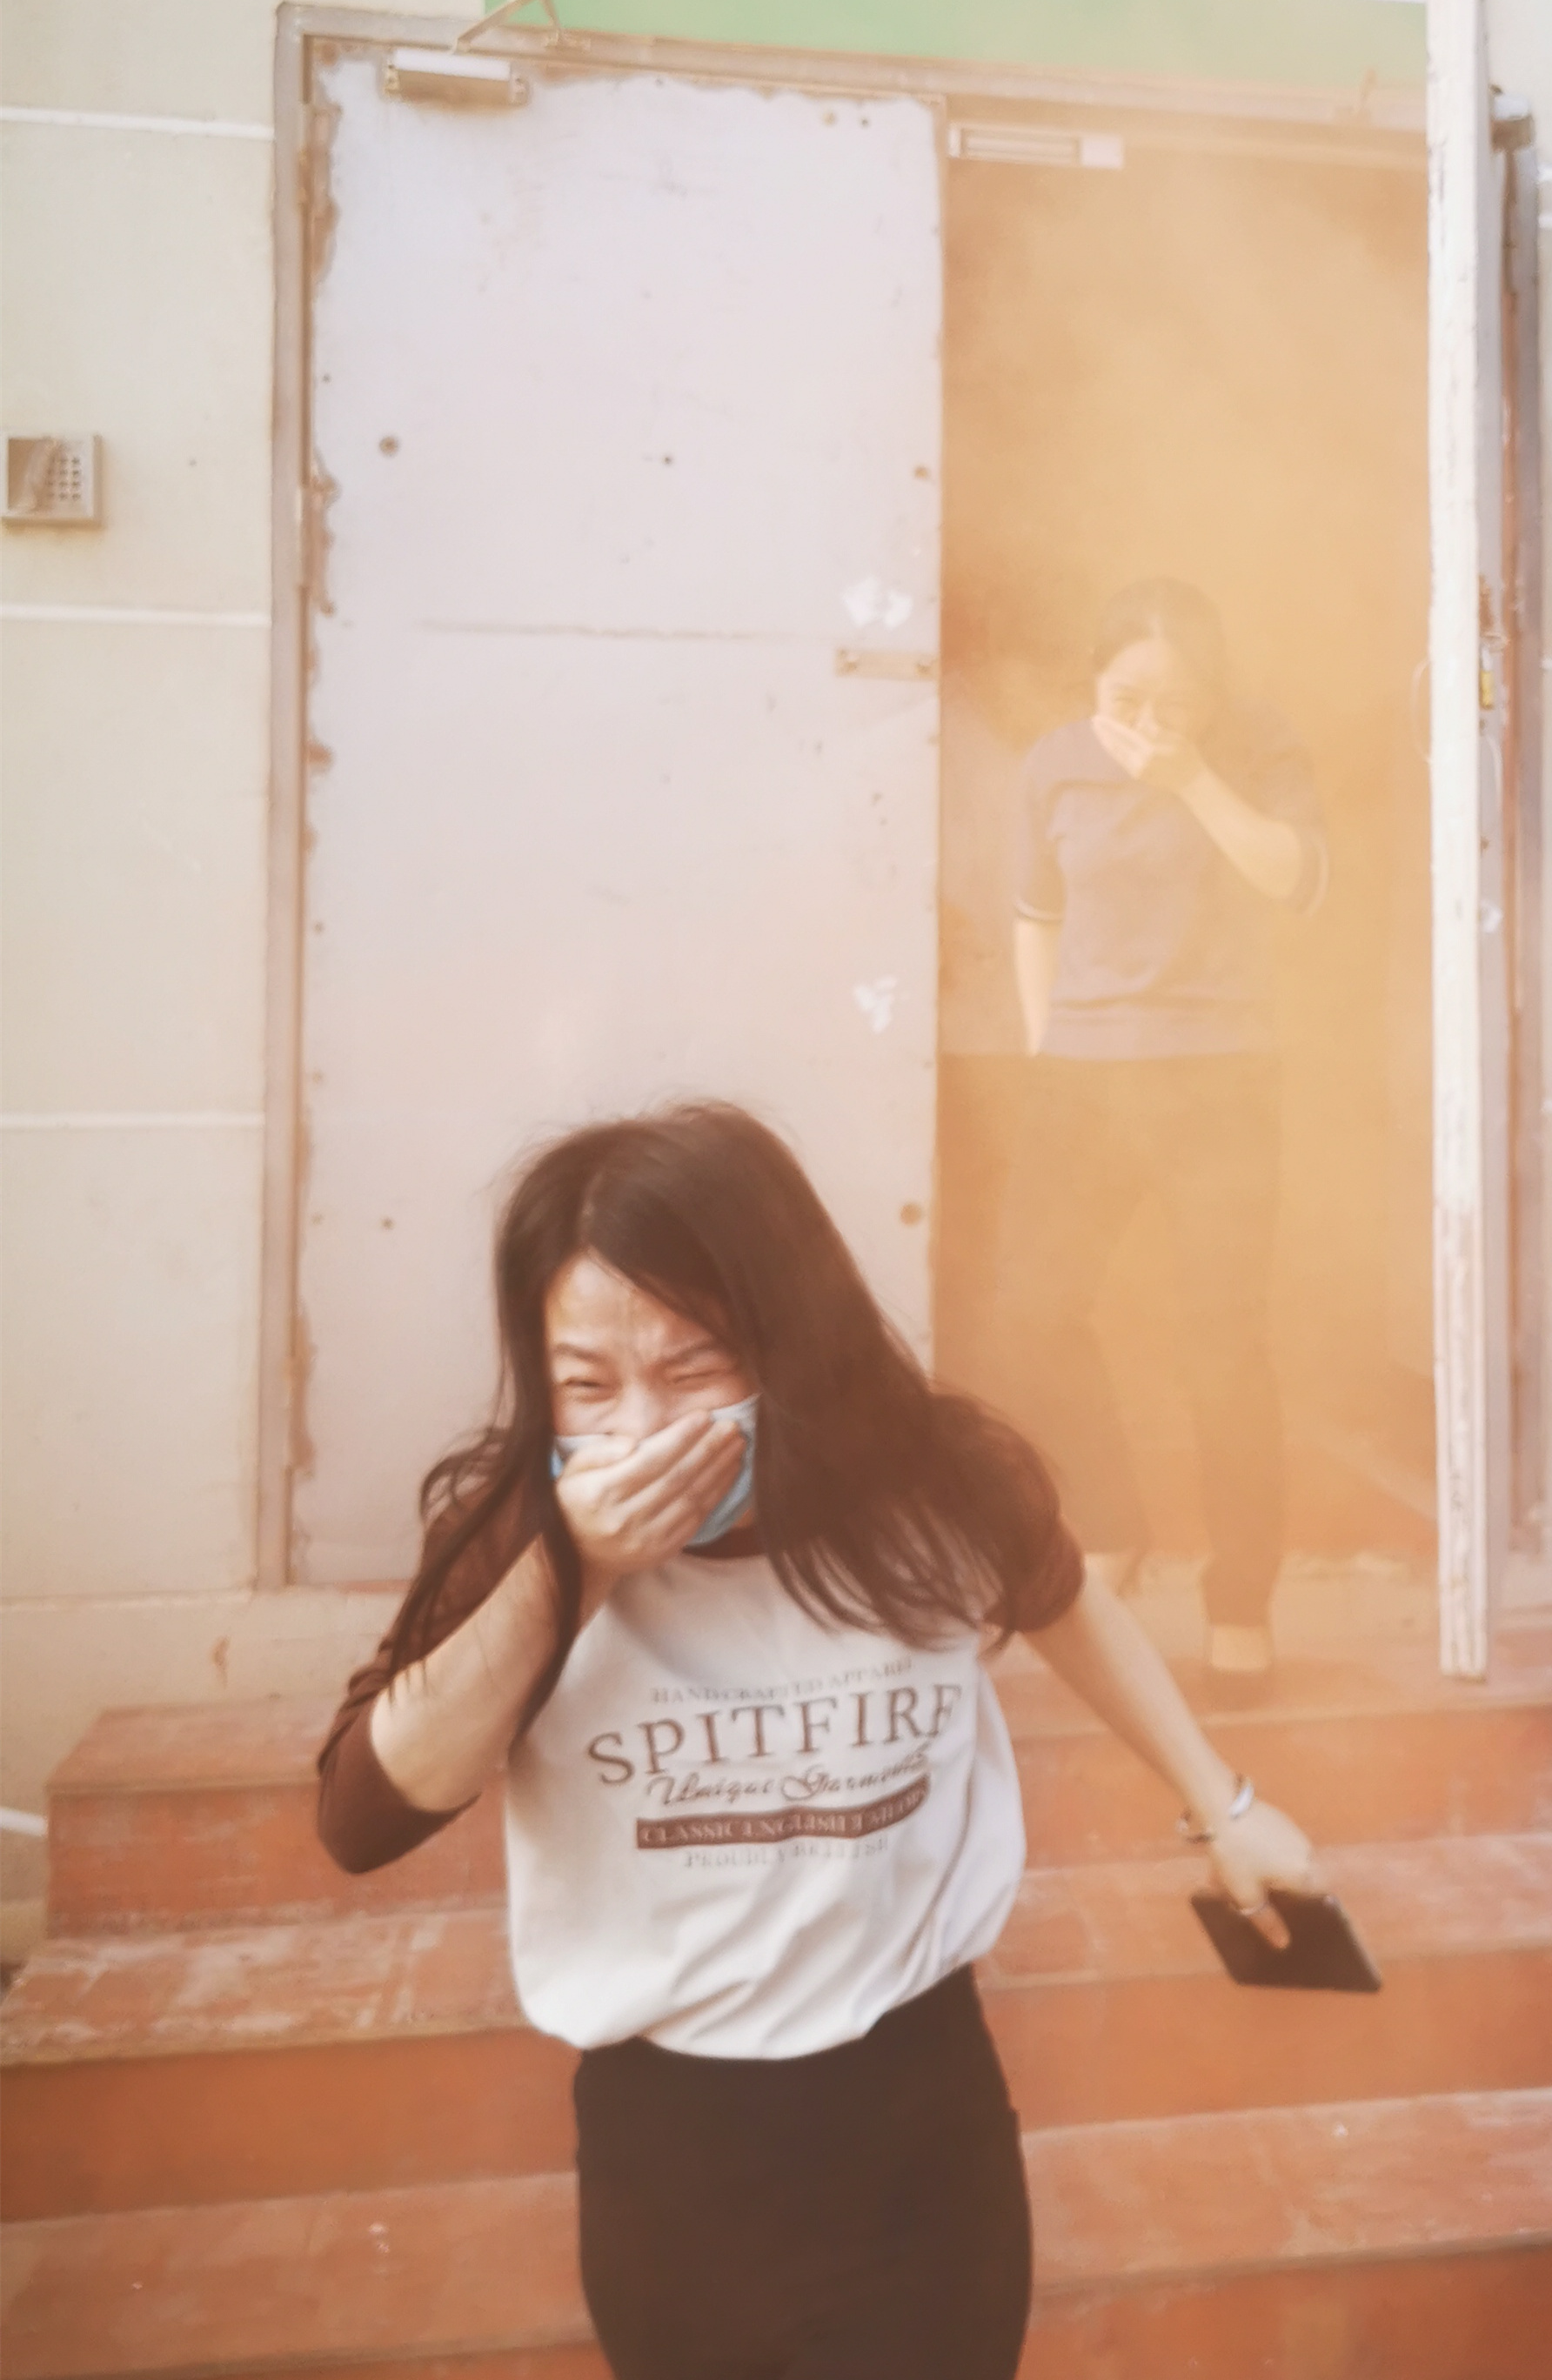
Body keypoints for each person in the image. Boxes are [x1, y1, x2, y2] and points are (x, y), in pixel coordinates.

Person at [315, 1103, 1319, 2380]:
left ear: (788, 1342)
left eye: (694, 1370)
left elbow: (1062, 1597)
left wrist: (1223, 1806)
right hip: (675, 2146)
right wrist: (576, 1570)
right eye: (589, 1385)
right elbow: (362, 1818)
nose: (642, 1432)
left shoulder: (936, 1482)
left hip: (918, 2114)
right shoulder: (519, 1532)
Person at [1005, 579, 1328, 1677]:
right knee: (1031, 1312)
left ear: (1213, 693)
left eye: (1176, 700)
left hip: (1220, 1076)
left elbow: (1295, 880)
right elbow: (1035, 917)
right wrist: (1047, 1045)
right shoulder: (1054, 761)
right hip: (1082, 1082)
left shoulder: (1256, 744)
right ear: (1092, 682)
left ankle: (1241, 1606)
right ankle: (1110, 1523)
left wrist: (1191, 776)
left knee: (1221, 1342)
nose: (1148, 720)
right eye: (1126, 697)